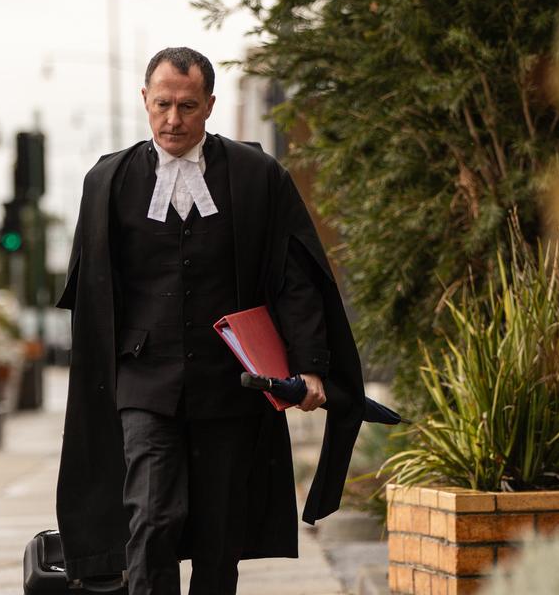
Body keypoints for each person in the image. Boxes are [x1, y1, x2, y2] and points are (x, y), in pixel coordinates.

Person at [56, 47, 366, 594]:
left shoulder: (256, 176)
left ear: (210, 105)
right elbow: (94, 295)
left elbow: (295, 279)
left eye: (188, 106)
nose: (173, 119)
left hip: (232, 383)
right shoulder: (108, 181)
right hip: (145, 382)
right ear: (144, 100)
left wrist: (311, 365)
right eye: (162, 104)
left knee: (220, 539)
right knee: (152, 519)